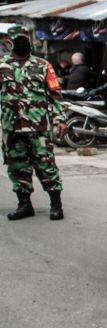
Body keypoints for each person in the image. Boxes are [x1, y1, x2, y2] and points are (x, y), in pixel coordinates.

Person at [1, 25, 67, 221]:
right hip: (12, 127)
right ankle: (24, 204)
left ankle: (56, 204)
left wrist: (60, 119)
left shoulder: (43, 65)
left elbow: (55, 95)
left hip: (39, 128)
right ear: (10, 42)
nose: (22, 43)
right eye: (18, 40)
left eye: (25, 39)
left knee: (46, 166)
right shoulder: (2, 66)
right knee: (17, 167)